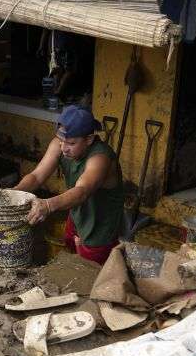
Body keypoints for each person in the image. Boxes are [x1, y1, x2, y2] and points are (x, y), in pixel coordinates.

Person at [15, 105, 124, 265]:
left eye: (71, 143)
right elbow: (37, 176)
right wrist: (14, 192)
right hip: (77, 213)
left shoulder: (100, 158)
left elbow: (82, 191)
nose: (64, 148)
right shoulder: (61, 143)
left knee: (90, 271)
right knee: (70, 250)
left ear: (89, 139)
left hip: (99, 226)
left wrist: (48, 204)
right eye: (62, 141)